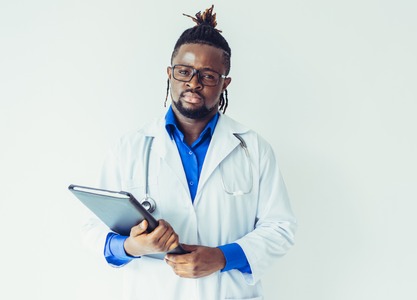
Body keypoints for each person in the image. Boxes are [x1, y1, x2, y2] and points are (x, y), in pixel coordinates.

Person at [82, 5, 297, 300]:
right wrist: (133, 247)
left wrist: (222, 257)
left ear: (225, 83)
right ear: (170, 73)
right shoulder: (130, 147)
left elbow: (280, 227)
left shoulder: (253, 148)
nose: (193, 83)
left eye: (208, 76)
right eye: (185, 72)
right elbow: (93, 229)